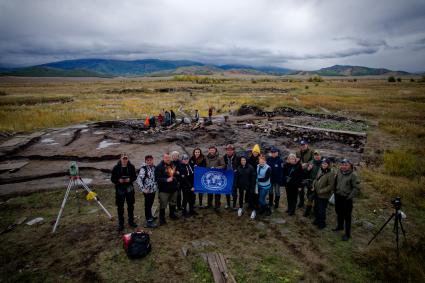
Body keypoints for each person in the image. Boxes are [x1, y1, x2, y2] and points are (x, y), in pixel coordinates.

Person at [333, 159, 360, 241]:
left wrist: (349, 197)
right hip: (338, 196)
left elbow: (356, 188)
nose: (344, 166)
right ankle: (340, 226)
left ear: (350, 166)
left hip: (346, 198)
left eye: (346, 165)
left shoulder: (353, 175)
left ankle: (347, 234)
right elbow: (335, 182)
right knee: (338, 211)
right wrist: (335, 191)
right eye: (342, 164)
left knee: (347, 217)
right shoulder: (339, 172)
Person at [111, 153, 138, 231]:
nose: (125, 160)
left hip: (129, 188)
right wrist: (119, 180)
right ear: (120, 159)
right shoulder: (116, 168)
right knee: (120, 207)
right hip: (120, 189)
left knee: (130, 206)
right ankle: (121, 224)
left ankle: (131, 221)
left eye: (126, 158)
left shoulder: (131, 166)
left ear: (128, 159)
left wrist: (130, 179)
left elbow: (134, 177)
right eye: (123, 158)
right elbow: (112, 179)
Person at [155, 153, 179, 225]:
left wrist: (176, 175)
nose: (168, 159)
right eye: (166, 158)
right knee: (163, 205)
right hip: (164, 190)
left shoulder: (173, 165)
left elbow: (174, 174)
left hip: (173, 189)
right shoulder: (159, 167)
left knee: (173, 202)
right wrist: (166, 180)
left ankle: (172, 215)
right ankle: (162, 219)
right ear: (163, 158)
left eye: (169, 158)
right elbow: (157, 178)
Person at [312, 158, 334, 229]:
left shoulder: (330, 173)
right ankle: (317, 219)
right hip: (316, 193)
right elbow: (316, 179)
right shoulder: (320, 170)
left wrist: (321, 191)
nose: (323, 165)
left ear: (328, 165)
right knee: (316, 207)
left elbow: (331, 186)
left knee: (322, 210)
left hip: (323, 195)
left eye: (325, 164)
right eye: (323, 163)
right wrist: (313, 186)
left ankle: (322, 223)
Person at [136, 155, 158, 228]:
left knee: (151, 203)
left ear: (152, 160)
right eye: (147, 160)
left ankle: (150, 216)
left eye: (150, 160)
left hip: (153, 190)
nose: (149, 161)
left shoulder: (154, 168)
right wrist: (143, 189)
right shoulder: (143, 169)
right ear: (145, 161)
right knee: (147, 205)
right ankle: (149, 221)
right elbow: (139, 180)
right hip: (147, 191)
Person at [303, 150, 322, 217]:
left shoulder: (323, 164)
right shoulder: (310, 162)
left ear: (320, 156)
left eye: (318, 155)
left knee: (316, 198)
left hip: (319, 184)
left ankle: (314, 211)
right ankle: (308, 211)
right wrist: (308, 169)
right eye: (315, 155)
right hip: (310, 183)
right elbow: (305, 173)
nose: (316, 156)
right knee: (309, 197)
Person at [205, 145, 224, 210]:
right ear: (209, 150)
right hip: (209, 177)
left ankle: (217, 205)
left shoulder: (220, 157)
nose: (212, 151)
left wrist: (215, 168)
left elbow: (223, 165)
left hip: (217, 177)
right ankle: (209, 204)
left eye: (213, 150)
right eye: (211, 150)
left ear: (215, 150)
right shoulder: (206, 158)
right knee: (209, 191)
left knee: (217, 191)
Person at [296, 140, 314, 209]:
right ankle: (301, 202)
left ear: (307, 145)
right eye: (301, 145)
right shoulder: (298, 152)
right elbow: (297, 160)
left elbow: (313, 160)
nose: (303, 146)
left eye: (304, 145)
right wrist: (300, 164)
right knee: (300, 188)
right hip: (301, 173)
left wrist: (307, 164)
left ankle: (309, 204)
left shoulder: (312, 151)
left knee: (309, 189)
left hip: (309, 173)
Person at [223, 144, 239, 209]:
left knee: (234, 190)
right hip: (227, 176)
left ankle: (234, 205)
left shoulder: (237, 157)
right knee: (227, 190)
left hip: (234, 176)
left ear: (233, 151)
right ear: (226, 151)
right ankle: (228, 204)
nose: (229, 151)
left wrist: (236, 170)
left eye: (231, 150)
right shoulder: (224, 157)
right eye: (228, 150)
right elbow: (222, 165)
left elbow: (240, 165)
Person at [248, 144, 261, 219]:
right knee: (250, 191)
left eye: (256, 152)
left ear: (258, 153)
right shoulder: (250, 159)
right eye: (254, 152)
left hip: (257, 178)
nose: (255, 153)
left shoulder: (260, 159)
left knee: (257, 192)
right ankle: (250, 203)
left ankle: (257, 204)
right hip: (251, 177)